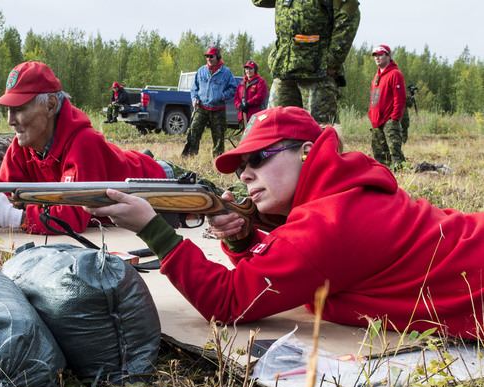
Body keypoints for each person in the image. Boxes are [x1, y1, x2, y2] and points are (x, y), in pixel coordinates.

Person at [85, 106, 484, 340]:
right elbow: (286, 273)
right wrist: (244, 239)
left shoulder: (325, 226)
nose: (244, 175)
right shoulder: (345, 194)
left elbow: (228, 303)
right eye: (241, 165)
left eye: (258, 159)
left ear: (308, 153)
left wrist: (153, 230)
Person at [0, 60, 169, 235]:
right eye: (8, 110)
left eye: (19, 109)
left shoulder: (84, 142)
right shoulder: (21, 145)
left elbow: (73, 216)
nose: (10, 121)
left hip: (160, 179)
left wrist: (16, 218)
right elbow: (0, 197)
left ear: (50, 105)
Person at [253, 0, 360, 124]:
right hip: (284, 70)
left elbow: (348, 16)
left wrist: (331, 61)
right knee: (277, 126)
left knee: (319, 130)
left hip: (317, 73)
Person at [182, 47, 237, 157]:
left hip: (218, 110)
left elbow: (233, 88)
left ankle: (218, 159)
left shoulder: (226, 72)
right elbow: (194, 88)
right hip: (201, 107)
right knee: (193, 131)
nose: (209, 58)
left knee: (218, 137)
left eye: (211, 56)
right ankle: (190, 156)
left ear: (217, 57)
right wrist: (194, 98)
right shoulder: (201, 70)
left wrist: (222, 96)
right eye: (207, 56)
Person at [368, 44, 407, 170]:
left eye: (381, 55)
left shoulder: (395, 74)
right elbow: (374, 98)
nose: (377, 58)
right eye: (375, 55)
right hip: (376, 122)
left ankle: (402, 179)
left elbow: (399, 98)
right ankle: (384, 178)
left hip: (389, 122)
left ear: (388, 56)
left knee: (395, 154)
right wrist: (371, 114)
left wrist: (394, 119)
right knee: (379, 156)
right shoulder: (376, 76)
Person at [234, 60, 269, 126]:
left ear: (255, 70)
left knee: (255, 136)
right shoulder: (242, 83)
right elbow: (236, 98)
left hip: (255, 116)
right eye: (246, 69)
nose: (248, 71)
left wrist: (248, 103)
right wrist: (239, 105)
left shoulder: (260, 82)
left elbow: (260, 96)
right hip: (243, 116)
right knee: (244, 136)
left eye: (250, 68)